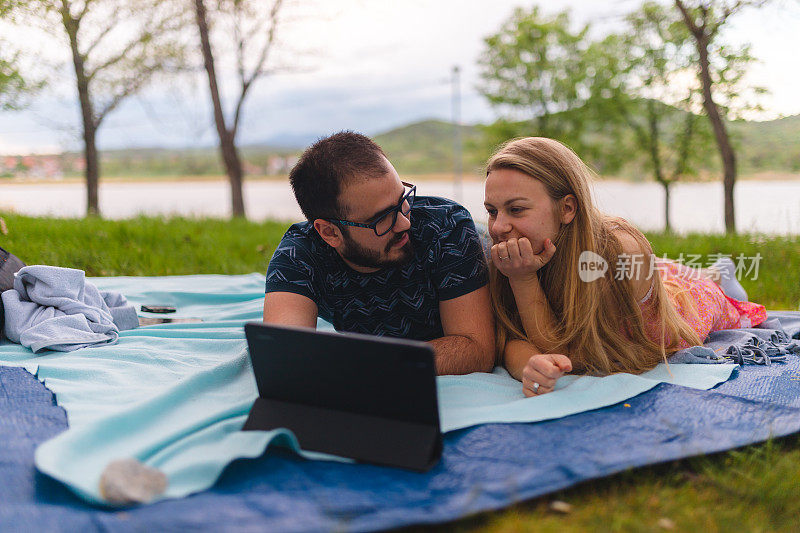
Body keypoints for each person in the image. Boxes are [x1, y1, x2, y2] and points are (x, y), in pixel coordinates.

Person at [483, 137, 766, 396]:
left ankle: (720, 275)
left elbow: (573, 353)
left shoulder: (617, 250)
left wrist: (523, 280)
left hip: (684, 298)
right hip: (649, 273)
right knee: (664, 270)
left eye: (516, 209)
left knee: (721, 295)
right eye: (492, 211)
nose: (498, 227)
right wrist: (529, 364)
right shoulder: (513, 253)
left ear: (567, 208)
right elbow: (511, 335)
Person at [263, 131, 494, 375]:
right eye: (382, 218)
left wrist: (364, 365)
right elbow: (284, 360)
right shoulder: (300, 254)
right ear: (330, 233)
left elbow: (477, 349)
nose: (404, 223)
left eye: (402, 200)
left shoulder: (446, 227)